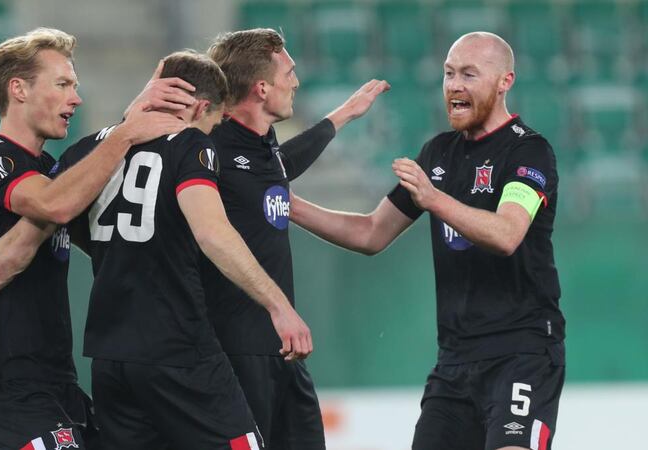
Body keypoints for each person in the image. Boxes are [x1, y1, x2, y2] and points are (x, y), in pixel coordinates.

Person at [0, 27, 193, 450]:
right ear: (18, 89)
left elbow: (77, 192)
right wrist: (127, 131)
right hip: (12, 385)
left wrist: (132, 117)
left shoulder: (45, 166)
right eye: (62, 84)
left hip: (59, 381)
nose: (75, 98)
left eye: (74, 86)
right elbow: (54, 206)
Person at [290, 32, 565, 450]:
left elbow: (507, 234)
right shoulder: (437, 154)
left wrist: (434, 199)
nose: (454, 85)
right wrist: (287, 204)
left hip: (521, 351)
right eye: (449, 74)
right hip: (455, 361)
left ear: (504, 81)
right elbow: (371, 232)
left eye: (469, 74)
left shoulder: (529, 152)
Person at [56, 50, 311, 450]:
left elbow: (70, 220)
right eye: (213, 123)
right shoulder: (191, 144)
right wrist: (279, 307)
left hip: (109, 354)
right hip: (176, 344)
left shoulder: (90, 150)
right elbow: (213, 234)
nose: (212, 133)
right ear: (201, 106)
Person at [203, 28, 389, 450]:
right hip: (236, 350)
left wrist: (342, 116)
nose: (296, 81)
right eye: (289, 72)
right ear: (261, 87)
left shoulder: (261, 145)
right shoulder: (209, 150)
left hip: (281, 349)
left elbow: (279, 167)